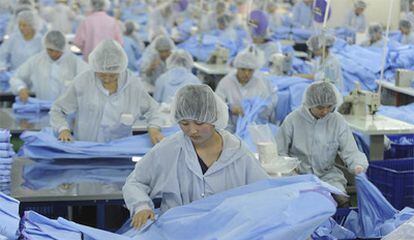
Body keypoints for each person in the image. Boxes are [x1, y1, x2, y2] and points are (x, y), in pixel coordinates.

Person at [123, 84, 269, 229]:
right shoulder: (170, 149)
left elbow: (265, 194)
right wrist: (141, 206)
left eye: (199, 122)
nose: (192, 131)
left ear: (214, 117)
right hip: (176, 234)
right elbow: (135, 181)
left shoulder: (238, 153)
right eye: (184, 123)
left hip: (226, 234)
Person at [50, 39, 164, 144]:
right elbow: (58, 109)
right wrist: (63, 129)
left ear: (120, 68)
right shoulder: (82, 82)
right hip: (86, 149)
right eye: (102, 75)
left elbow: (154, 110)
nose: (107, 79)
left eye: (113, 75)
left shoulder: (133, 85)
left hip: (120, 152)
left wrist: (154, 128)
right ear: (95, 68)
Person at [276, 81, 368, 207]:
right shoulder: (293, 120)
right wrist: (290, 170)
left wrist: (358, 165)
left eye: (329, 106)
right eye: (320, 107)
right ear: (309, 104)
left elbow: (351, 151)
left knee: (342, 200)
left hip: (327, 176)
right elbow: (279, 152)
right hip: (298, 177)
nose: (325, 111)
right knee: (303, 205)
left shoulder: (337, 121)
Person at [10, 30, 88, 102]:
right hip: (43, 109)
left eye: (57, 51)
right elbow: (16, 77)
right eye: (50, 50)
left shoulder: (73, 61)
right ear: (45, 46)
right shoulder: (36, 60)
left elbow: (90, 79)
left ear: (63, 48)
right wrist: (20, 88)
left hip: (68, 112)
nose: (54, 54)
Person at [215, 47, 277, 132]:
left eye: (250, 70)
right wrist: (229, 107)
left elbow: (267, 106)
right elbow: (216, 104)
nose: (246, 74)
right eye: (243, 69)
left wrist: (254, 110)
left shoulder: (260, 84)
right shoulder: (226, 82)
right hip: (228, 126)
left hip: (253, 127)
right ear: (237, 68)